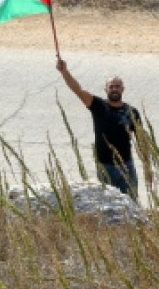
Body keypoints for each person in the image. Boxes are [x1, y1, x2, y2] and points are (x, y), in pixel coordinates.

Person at [57, 57, 152, 201]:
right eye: (111, 86)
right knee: (108, 205)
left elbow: (141, 140)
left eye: (117, 86)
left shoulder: (132, 112)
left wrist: (147, 166)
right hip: (104, 167)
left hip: (126, 166)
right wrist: (65, 72)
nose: (114, 89)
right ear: (106, 89)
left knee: (131, 202)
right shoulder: (98, 106)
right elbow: (78, 90)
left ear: (122, 89)